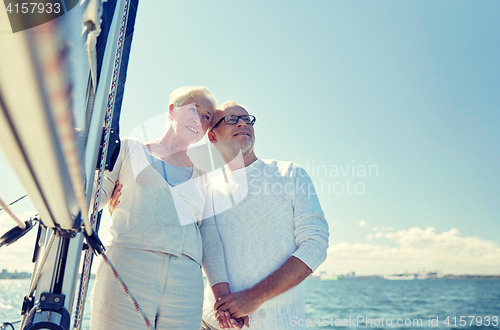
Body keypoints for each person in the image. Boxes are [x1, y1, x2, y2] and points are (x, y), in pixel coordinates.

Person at [90, 86, 229, 330]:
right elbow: (91, 198)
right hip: (128, 265)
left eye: (207, 116)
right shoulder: (128, 148)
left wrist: (222, 296)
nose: (199, 119)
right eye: (193, 109)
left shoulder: (204, 177)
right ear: (172, 111)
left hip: (186, 280)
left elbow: (210, 237)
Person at [201, 101, 329, 329]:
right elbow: (204, 247)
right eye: (231, 119)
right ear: (212, 137)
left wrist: (255, 295)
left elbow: (315, 245)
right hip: (213, 323)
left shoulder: (290, 173)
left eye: (247, 118)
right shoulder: (205, 187)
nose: (242, 123)